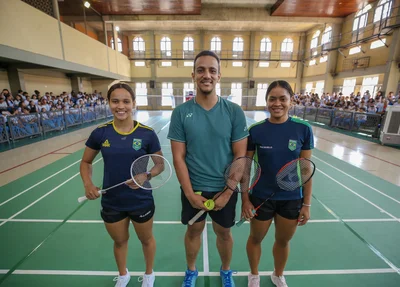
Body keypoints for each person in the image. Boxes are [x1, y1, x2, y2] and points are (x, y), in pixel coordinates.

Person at [168, 50, 248, 287]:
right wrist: (190, 194)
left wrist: (228, 191)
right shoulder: (181, 113)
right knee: (193, 232)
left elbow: (240, 156)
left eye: (212, 70)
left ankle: (226, 271)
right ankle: (191, 271)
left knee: (224, 234)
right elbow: (178, 157)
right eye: (201, 70)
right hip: (195, 188)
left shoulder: (234, 112)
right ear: (193, 75)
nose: (207, 75)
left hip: (225, 187)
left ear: (219, 76)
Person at [80, 83, 162, 287]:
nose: (121, 106)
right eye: (115, 101)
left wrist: (147, 175)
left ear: (134, 103)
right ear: (109, 103)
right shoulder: (100, 133)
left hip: (140, 199)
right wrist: (88, 184)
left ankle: (149, 274)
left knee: (146, 239)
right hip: (112, 201)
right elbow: (85, 162)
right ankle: (123, 274)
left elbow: (160, 164)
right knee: (119, 241)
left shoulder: (147, 133)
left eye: (126, 101)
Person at [241, 80, 314, 287]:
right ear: (266, 101)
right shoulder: (255, 130)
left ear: (291, 101)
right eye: (272, 99)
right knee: (255, 239)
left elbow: (306, 169)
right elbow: (245, 168)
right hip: (261, 196)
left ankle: (278, 274)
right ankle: (253, 275)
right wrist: (245, 199)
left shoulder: (303, 129)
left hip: (291, 198)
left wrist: (306, 205)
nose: (277, 103)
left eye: (283, 98)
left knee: (283, 241)